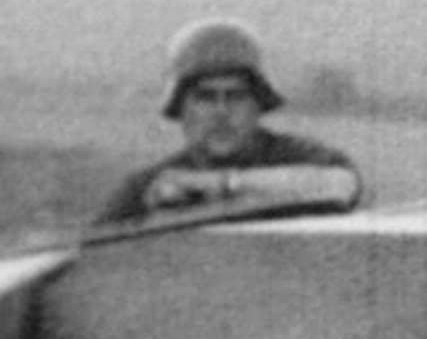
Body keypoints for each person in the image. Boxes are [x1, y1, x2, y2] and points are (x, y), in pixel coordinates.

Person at [94, 18, 361, 225]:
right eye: (205, 98)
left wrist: (222, 185)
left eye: (236, 96)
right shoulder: (149, 186)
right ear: (181, 109)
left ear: (258, 106)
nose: (221, 112)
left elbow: (341, 186)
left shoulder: (298, 157)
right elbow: (91, 255)